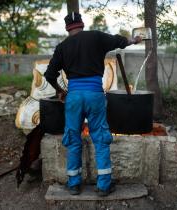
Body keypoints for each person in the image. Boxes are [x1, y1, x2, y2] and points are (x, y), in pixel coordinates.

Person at [44, 12, 142, 196]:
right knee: (100, 138)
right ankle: (104, 186)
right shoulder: (96, 36)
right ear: (81, 24)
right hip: (95, 94)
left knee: (73, 139)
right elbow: (119, 41)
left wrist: (59, 90)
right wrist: (134, 40)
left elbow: (49, 74)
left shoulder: (62, 47)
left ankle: (73, 184)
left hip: (73, 97)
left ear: (67, 28)